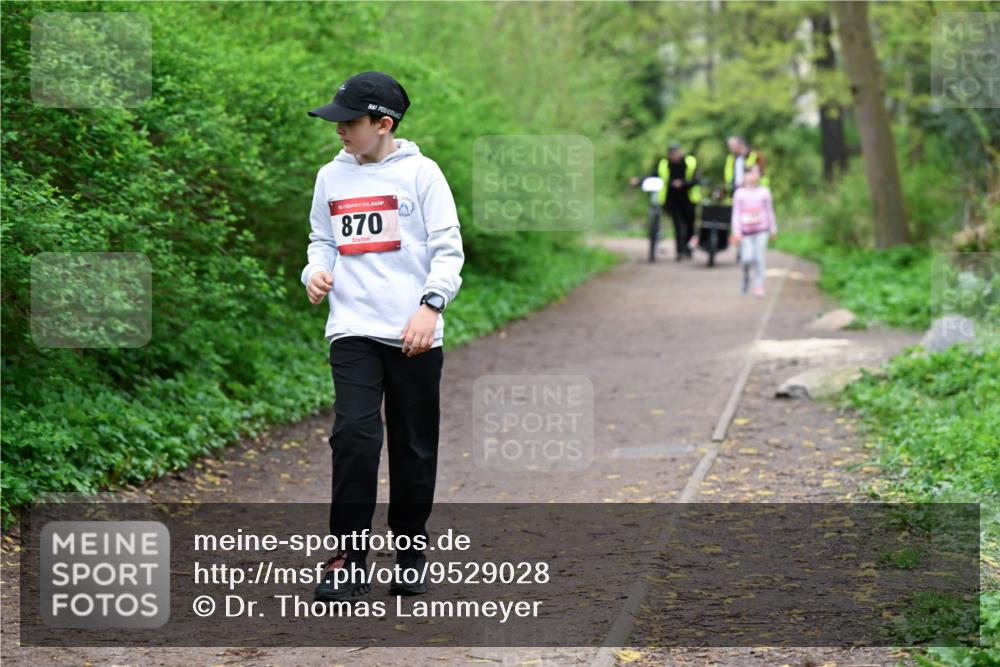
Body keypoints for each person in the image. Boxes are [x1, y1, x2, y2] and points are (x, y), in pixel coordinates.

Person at [301, 71, 465, 601]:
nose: (339, 130)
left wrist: (430, 306)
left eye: (349, 121)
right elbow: (321, 240)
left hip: (414, 331)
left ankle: (410, 550)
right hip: (353, 329)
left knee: (413, 446)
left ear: (383, 123)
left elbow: (448, 250)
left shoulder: (422, 174)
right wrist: (315, 272)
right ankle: (347, 558)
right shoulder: (331, 176)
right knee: (354, 436)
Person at [730, 164, 776, 297]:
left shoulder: (764, 192)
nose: (754, 176)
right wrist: (736, 232)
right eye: (751, 173)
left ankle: (759, 285)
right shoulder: (739, 193)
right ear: (745, 175)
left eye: (757, 173)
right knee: (746, 258)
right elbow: (736, 214)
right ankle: (746, 277)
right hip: (745, 233)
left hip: (761, 231)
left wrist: (773, 228)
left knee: (759, 258)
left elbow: (769, 210)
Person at [654, 143, 701, 261]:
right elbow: (655, 175)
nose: (674, 156)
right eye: (671, 154)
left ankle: (688, 248)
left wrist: (683, 183)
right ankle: (680, 251)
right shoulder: (664, 164)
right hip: (672, 199)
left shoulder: (690, 162)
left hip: (689, 199)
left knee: (690, 224)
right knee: (678, 225)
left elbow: (696, 179)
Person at [724, 135, 768, 201]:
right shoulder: (731, 158)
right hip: (736, 192)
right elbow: (728, 176)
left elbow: (762, 173)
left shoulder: (756, 155)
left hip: (754, 191)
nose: (730, 148)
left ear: (740, 144)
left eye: (732, 145)